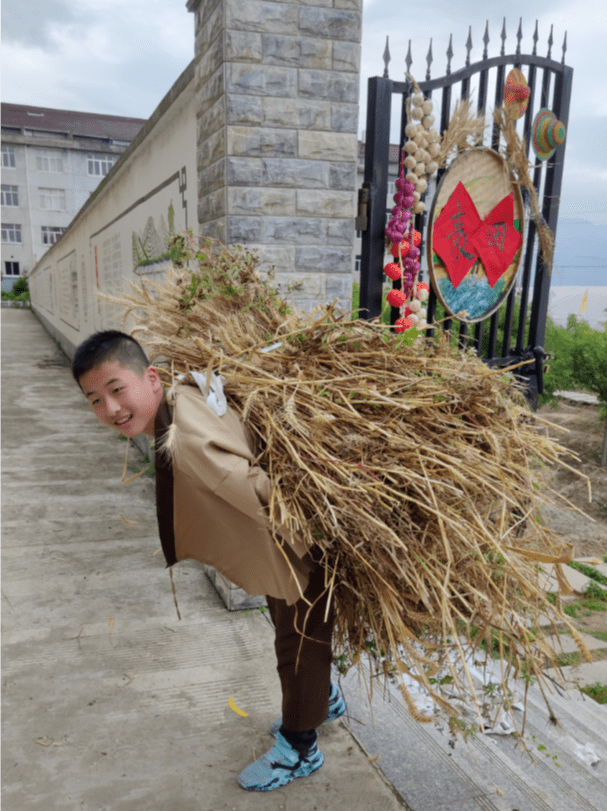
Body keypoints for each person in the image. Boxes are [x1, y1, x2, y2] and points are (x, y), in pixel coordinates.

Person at [72, 330, 345, 792]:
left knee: (297, 644)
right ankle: (322, 698)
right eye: (95, 400)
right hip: (283, 547)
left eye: (117, 390)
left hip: (302, 545)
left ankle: (301, 746)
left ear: (150, 377)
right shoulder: (180, 396)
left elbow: (259, 493)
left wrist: (311, 542)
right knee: (295, 635)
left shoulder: (187, 440)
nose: (111, 410)